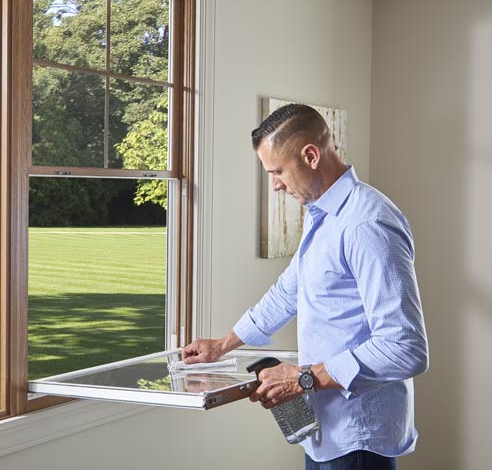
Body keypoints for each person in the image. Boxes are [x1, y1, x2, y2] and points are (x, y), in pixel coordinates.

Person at [182, 104, 429, 470]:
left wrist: (302, 379)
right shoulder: (324, 217)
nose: (276, 184)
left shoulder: (366, 223)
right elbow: (288, 292)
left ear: (310, 155)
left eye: (278, 171)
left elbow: (405, 348)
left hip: (358, 441)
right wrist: (223, 344)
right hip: (325, 431)